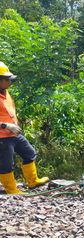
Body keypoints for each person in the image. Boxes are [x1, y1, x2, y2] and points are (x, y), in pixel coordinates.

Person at [0, 62, 49, 194]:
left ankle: (33, 181)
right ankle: (12, 190)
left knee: (29, 153)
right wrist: (5, 125)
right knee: (6, 164)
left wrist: (14, 124)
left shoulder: (6, 93)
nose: (10, 82)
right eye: (6, 79)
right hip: (2, 137)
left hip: (14, 134)